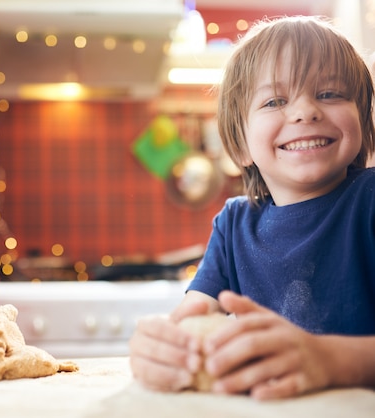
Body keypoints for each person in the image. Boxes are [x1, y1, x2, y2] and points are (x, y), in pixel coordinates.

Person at [129, 16, 375, 400]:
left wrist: (326, 359)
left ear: (362, 120)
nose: (305, 111)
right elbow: (189, 324)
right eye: (275, 100)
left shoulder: (370, 202)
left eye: (330, 93)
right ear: (241, 145)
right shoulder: (233, 225)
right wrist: (161, 349)